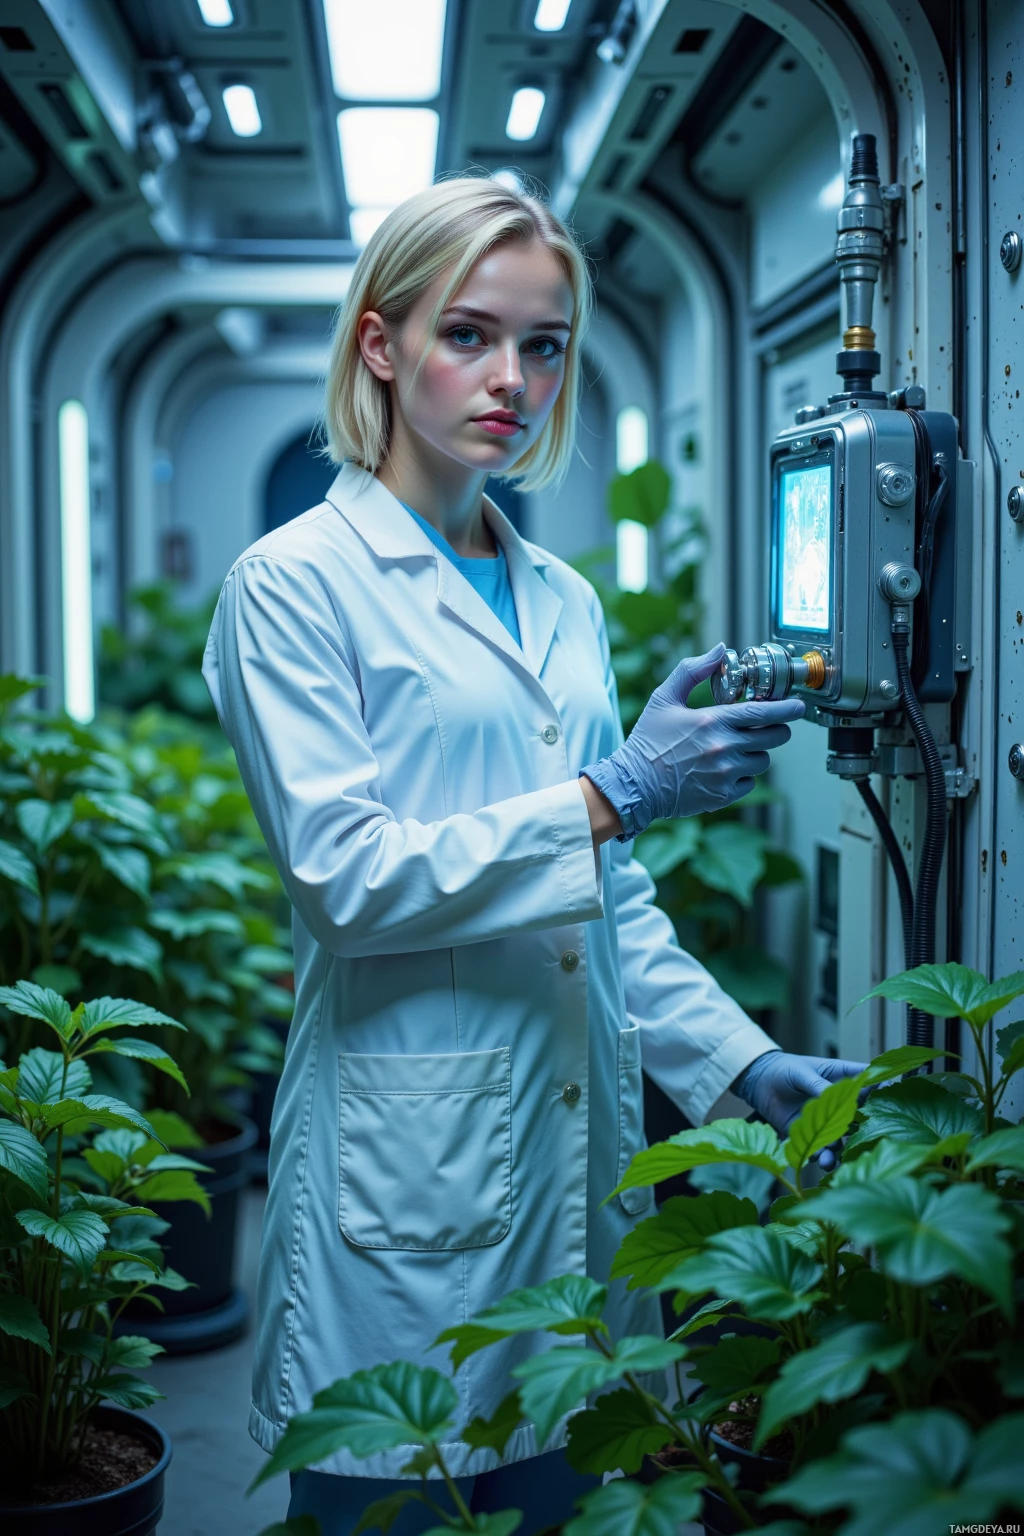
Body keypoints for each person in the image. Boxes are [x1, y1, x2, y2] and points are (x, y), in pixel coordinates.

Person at [203, 176, 864, 1535]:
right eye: (470, 335)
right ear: (380, 345)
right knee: (400, 1487)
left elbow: (608, 899)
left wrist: (741, 1062)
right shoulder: (293, 583)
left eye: (547, 344)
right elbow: (347, 879)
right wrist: (614, 792)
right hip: (408, 1157)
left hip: (577, 1141)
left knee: (572, 1476)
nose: (515, 379)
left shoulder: (563, 601)